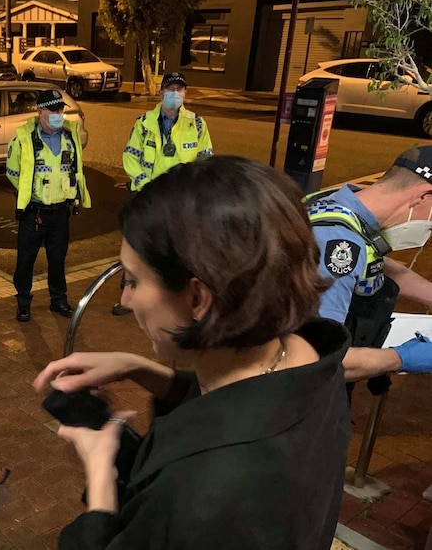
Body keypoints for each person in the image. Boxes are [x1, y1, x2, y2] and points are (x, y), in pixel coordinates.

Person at [34, 156, 351, 549]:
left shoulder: (199, 489)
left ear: (198, 297)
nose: (126, 299)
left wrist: (100, 475)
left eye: (132, 281)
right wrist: (140, 369)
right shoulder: (307, 356)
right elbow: (235, 401)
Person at [307, 145, 432, 382]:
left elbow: (373, 264)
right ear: (424, 196)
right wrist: (401, 357)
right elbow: (318, 361)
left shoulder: (336, 203)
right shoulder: (337, 244)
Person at [111, 71, 213, 316]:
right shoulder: (144, 123)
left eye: (180, 90)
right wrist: (147, 185)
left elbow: (205, 159)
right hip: (146, 195)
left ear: (185, 93)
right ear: (161, 93)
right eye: (170, 89)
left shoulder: (196, 123)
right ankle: (129, 296)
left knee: (178, 248)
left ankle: (173, 298)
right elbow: (130, 156)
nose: (175, 94)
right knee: (138, 245)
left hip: (179, 198)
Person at [6, 89, 91, 322]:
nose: (58, 114)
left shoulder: (70, 137)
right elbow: (13, 172)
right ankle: (23, 303)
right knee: (25, 261)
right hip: (33, 212)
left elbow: (74, 169)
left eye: (60, 110)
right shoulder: (23, 140)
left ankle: (59, 301)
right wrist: (30, 192)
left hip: (60, 212)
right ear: (40, 111)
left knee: (57, 260)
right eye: (53, 110)